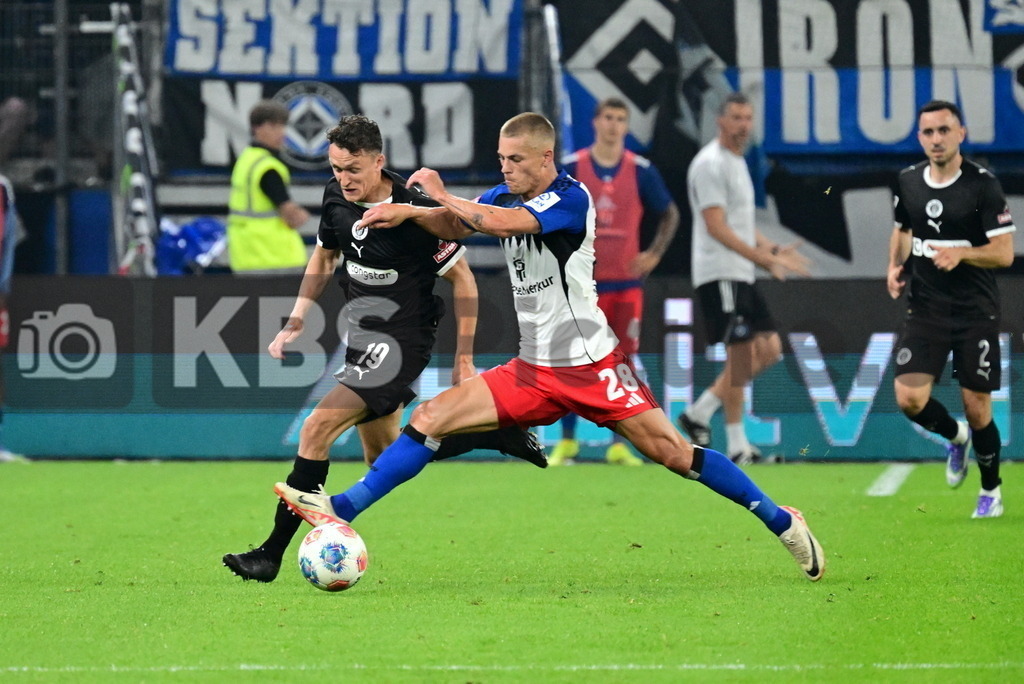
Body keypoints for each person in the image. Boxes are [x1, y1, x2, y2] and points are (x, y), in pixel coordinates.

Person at [274, 112, 826, 582]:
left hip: (591, 365)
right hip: (533, 369)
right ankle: (339, 509)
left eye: (515, 160)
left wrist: (437, 197)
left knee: (674, 455)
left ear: (545, 158)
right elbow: (458, 224)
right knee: (430, 417)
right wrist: (415, 212)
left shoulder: (569, 197)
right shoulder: (504, 193)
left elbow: (501, 223)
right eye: (501, 159)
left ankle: (782, 521)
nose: (505, 168)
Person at [223, 115, 546, 582]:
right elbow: (325, 255)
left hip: (401, 344)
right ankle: (496, 435)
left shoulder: (416, 213)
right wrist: (296, 318)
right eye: (336, 168)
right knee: (386, 457)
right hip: (363, 340)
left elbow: (463, 279)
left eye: (353, 169)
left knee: (316, 428)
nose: (344, 179)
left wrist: (463, 358)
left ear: (379, 162)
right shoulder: (337, 196)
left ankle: (269, 554)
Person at [887, 100, 1015, 519]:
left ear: (961, 133)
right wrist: (894, 267)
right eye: (928, 132)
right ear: (919, 138)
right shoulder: (908, 181)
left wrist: (963, 253)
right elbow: (903, 228)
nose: (936, 139)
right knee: (909, 398)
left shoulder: (982, 185)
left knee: (978, 408)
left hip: (974, 311)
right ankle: (955, 437)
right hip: (926, 308)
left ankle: (991, 490)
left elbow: (1004, 253)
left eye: (944, 130)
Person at [676, 93, 809, 464]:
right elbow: (716, 227)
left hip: (740, 271)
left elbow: (741, 223)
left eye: (748, 118)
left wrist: (772, 248)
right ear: (720, 121)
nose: (743, 125)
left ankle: (700, 411)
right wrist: (763, 260)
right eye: (736, 117)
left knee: (769, 350)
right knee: (739, 356)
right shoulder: (710, 164)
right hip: (719, 272)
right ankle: (737, 446)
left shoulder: (736, 163)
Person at [550, 97, 679, 467]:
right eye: (608, 117)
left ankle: (620, 444)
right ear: (595, 122)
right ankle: (568, 441)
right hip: (581, 285)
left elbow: (670, 212)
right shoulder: (572, 167)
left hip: (625, 285)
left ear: (626, 126)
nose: (613, 125)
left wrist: (655, 253)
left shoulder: (640, 170)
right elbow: (547, 211)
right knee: (574, 361)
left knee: (622, 364)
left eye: (621, 119)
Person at [225, 100, 310, 273]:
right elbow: (292, 215)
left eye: (282, 126)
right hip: (276, 257)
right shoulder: (268, 168)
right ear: (256, 128)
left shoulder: (246, 159)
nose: (281, 132)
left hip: (246, 256)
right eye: (273, 126)